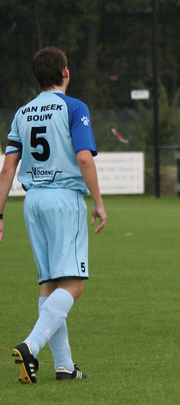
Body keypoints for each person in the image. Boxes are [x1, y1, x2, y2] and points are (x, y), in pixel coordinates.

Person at [0, 46, 107, 383]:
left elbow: (7, 170)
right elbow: (84, 158)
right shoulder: (74, 107)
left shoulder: (22, 113)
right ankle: (30, 346)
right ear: (65, 72)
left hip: (33, 202)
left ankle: (64, 366)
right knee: (73, 283)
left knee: (49, 283)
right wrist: (98, 201)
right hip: (63, 199)